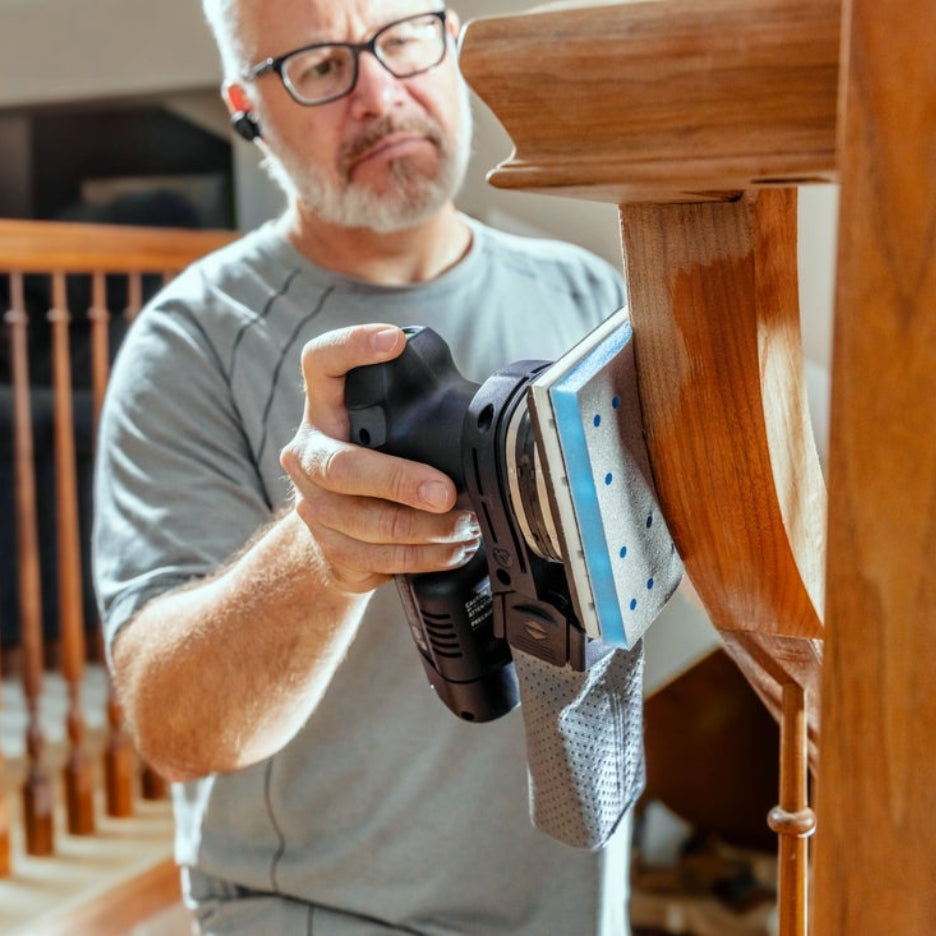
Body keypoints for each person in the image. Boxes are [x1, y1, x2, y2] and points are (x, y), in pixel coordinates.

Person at [93, 1, 642, 933]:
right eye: (317, 66)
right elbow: (171, 728)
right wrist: (323, 551)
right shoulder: (191, 345)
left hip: (575, 907)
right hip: (319, 913)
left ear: (454, 37)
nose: (381, 95)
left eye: (401, 39)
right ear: (247, 106)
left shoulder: (587, 292)